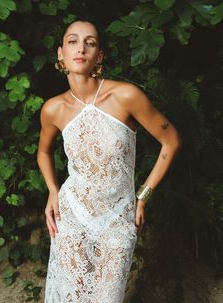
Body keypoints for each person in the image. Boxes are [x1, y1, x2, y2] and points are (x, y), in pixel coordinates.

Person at [37, 20, 182, 303]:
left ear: (99, 56)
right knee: (73, 295)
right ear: (60, 54)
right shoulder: (53, 109)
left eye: (90, 42)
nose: (81, 48)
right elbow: (43, 152)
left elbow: (172, 140)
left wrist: (143, 197)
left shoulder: (126, 96)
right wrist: (53, 191)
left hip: (118, 216)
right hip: (72, 214)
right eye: (73, 41)